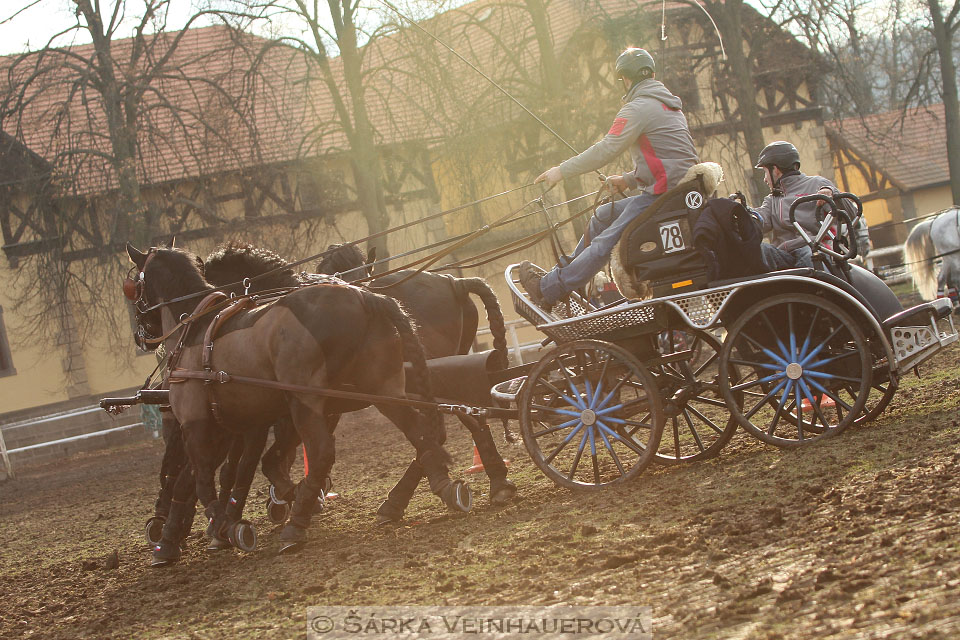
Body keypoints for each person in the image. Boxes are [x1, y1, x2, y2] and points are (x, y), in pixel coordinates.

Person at [518, 47, 699, 309]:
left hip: (664, 197)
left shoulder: (638, 108)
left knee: (607, 239)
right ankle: (569, 278)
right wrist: (628, 180)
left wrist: (561, 171)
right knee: (603, 216)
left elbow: (606, 150)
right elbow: (669, 160)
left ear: (625, 79)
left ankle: (549, 288)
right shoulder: (668, 105)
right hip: (679, 192)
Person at [750, 140, 857, 270]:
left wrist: (832, 194)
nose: (765, 179)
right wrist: (744, 215)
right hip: (785, 255)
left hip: (815, 250)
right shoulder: (772, 200)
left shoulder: (817, 184)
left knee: (808, 254)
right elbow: (762, 220)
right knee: (761, 250)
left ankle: (815, 288)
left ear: (776, 170)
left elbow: (850, 215)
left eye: (765, 172)